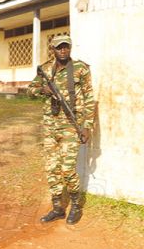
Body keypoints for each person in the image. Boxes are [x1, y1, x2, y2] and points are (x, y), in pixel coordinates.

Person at [28, 35, 95, 225]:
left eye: (66, 47)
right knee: (52, 168)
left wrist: (87, 127)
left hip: (71, 125)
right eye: (59, 48)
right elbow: (30, 90)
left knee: (67, 169)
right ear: (53, 49)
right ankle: (57, 208)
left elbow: (89, 98)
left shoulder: (81, 69)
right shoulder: (46, 69)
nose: (63, 51)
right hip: (50, 125)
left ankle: (75, 205)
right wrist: (43, 90)